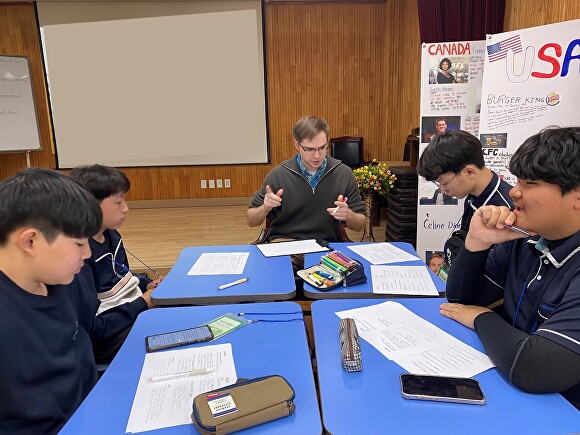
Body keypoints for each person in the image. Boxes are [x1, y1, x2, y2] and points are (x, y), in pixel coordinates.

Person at [441, 126, 580, 409]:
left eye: (529, 183)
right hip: (512, 390)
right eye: (518, 180)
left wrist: (481, 317)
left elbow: (536, 369)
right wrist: (476, 242)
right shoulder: (528, 238)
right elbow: (460, 302)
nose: (514, 191)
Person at [0, 168, 102, 433]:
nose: (88, 254)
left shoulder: (61, 280)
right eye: (79, 244)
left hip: (94, 414)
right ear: (31, 241)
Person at [69, 164, 160, 363]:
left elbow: (123, 275)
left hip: (129, 313)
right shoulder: (77, 259)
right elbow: (94, 330)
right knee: (167, 330)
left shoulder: (111, 235)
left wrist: (147, 285)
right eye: (118, 202)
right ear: (89, 205)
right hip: (108, 337)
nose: (126, 208)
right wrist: (144, 303)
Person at [247, 115, 366, 242]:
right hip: (285, 242)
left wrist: (349, 215)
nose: (317, 155)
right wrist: (265, 208)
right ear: (296, 144)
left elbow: (359, 225)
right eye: (309, 149)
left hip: (326, 245)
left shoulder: (344, 173)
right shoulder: (278, 175)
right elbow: (251, 220)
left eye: (322, 148)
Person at [418, 129, 513, 271]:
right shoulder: (473, 195)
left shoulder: (505, 211)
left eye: (443, 183)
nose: (443, 190)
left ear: (469, 172)